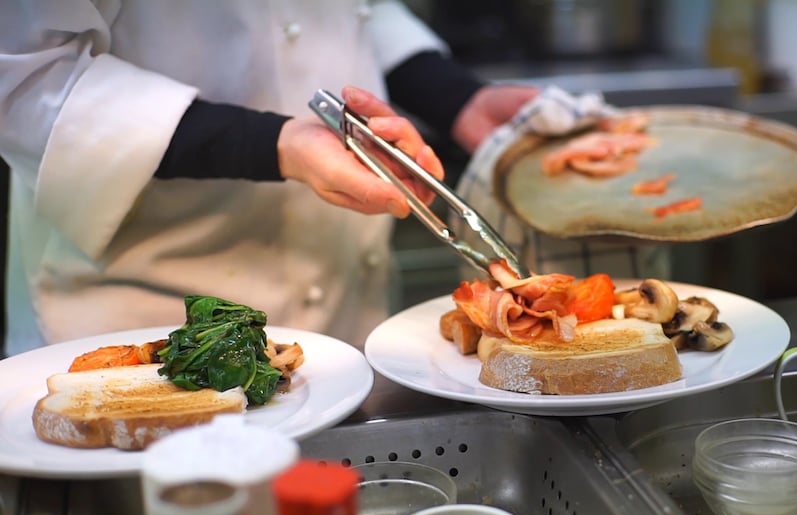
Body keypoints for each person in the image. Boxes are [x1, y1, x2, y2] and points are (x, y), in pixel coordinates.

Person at [0, 1, 538, 355]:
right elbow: (25, 81)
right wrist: (271, 144)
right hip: (146, 304)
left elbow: (351, 10)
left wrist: (454, 97)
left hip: (347, 299)